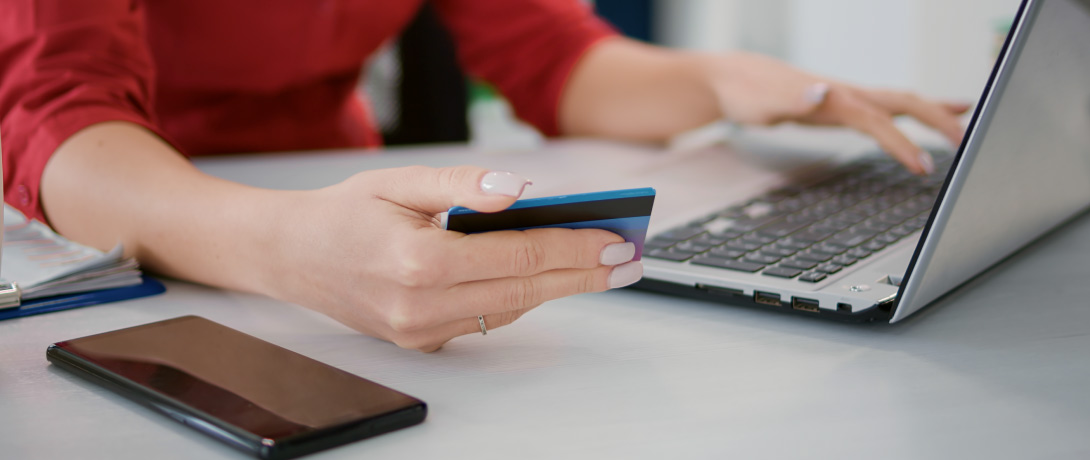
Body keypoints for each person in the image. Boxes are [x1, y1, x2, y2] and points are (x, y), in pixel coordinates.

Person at [0, 1, 967, 352]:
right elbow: (57, 118)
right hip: (123, 222)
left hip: (343, 184)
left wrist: (725, 79)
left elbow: (555, 57)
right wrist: (289, 249)